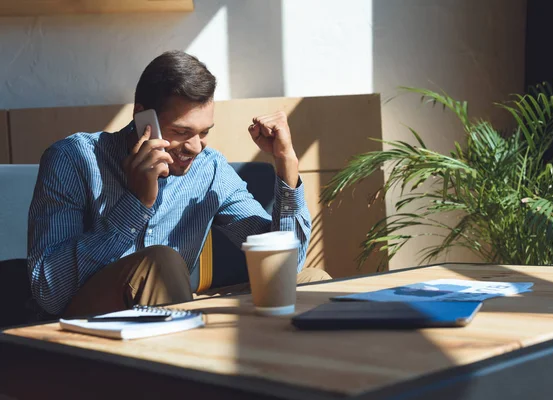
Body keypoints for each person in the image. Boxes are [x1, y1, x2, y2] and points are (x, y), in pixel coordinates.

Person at [27, 50, 330, 318]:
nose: (196, 147)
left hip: (175, 310)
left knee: (312, 282)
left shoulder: (209, 168)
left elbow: (287, 264)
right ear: (141, 116)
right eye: (182, 132)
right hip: (90, 321)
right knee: (160, 262)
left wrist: (286, 163)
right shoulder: (73, 159)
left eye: (204, 132)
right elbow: (50, 292)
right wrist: (136, 203)